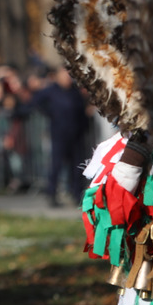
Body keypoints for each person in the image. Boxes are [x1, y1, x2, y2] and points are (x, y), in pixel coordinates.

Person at [25, 68, 90, 206]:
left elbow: (81, 110)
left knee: (77, 166)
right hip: (59, 133)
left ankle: (76, 193)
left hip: (76, 134)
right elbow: (35, 102)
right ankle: (52, 193)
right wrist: (49, 113)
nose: (67, 78)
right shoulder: (51, 91)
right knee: (56, 165)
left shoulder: (74, 92)